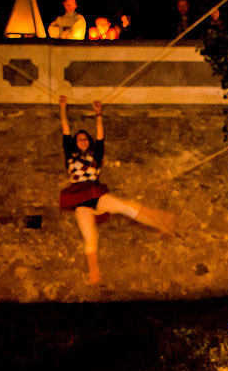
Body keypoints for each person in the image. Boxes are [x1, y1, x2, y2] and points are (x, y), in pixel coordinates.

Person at [58, 96, 177, 285]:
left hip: (96, 195)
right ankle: (94, 273)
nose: (83, 141)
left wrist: (99, 114)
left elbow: (100, 137)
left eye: (85, 139)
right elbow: (65, 131)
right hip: (80, 201)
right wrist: (62, 108)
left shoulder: (96, 155)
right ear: (75, 142)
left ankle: (163, 223)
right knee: (90, 236)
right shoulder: (70, 155)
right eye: (79, 139)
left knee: (127, 207)